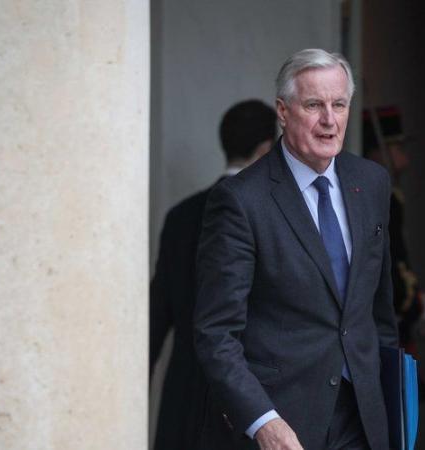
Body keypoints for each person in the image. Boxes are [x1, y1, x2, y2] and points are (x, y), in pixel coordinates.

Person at [194, 49, 398, 450]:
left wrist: (392, 404)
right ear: (283, 112)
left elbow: (380, 312)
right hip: (282, 422)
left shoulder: (371, 182)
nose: (329, 119)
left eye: (339, 104)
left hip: (363, 419)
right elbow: (216, 333)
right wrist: (263, 422)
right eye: (313, 105)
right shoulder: (241, 200)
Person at [150, 100, 277, 450]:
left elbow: (156, 318)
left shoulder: (180, 215)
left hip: (184, 398)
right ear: (267, 149)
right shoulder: (269, 216)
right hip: (244, 404)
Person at [363, 106, 425, 401]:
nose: (404, 160)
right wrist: (412, 303)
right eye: (396, 148)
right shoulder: (380, 198)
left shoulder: (391, 197)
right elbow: (390, 274)